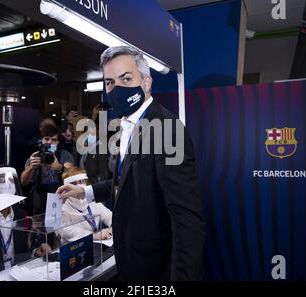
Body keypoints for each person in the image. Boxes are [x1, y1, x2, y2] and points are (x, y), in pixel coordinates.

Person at [57, 46, 205, 280]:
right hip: (130, 259)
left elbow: (186, 219)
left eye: (126, 78)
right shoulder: (127, 126)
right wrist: (84, 191)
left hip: (156, 267)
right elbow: (130, 179)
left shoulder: (166, 128)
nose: (117, 88)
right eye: (109, 82)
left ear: (146, 82)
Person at [21, 125, 74, 215]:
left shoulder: (65, 155)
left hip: (61, 200)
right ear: (41, 141)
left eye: (54, 140)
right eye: (46, 139)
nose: (49, 142)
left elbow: (72, 178)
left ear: (58, 143)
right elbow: (24, 182)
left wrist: (60, 168)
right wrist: (31, 167)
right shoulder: (35, 156)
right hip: (39, 201)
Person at [59, 167, 112, 244]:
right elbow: (66, 230)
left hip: (96, 246)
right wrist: (94, 236)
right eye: (74, 183)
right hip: (73, 249)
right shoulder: (62, 205)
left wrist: (112, 228)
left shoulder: (92, 200)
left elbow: (109, 216)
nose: (79, 186)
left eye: (82, 181)